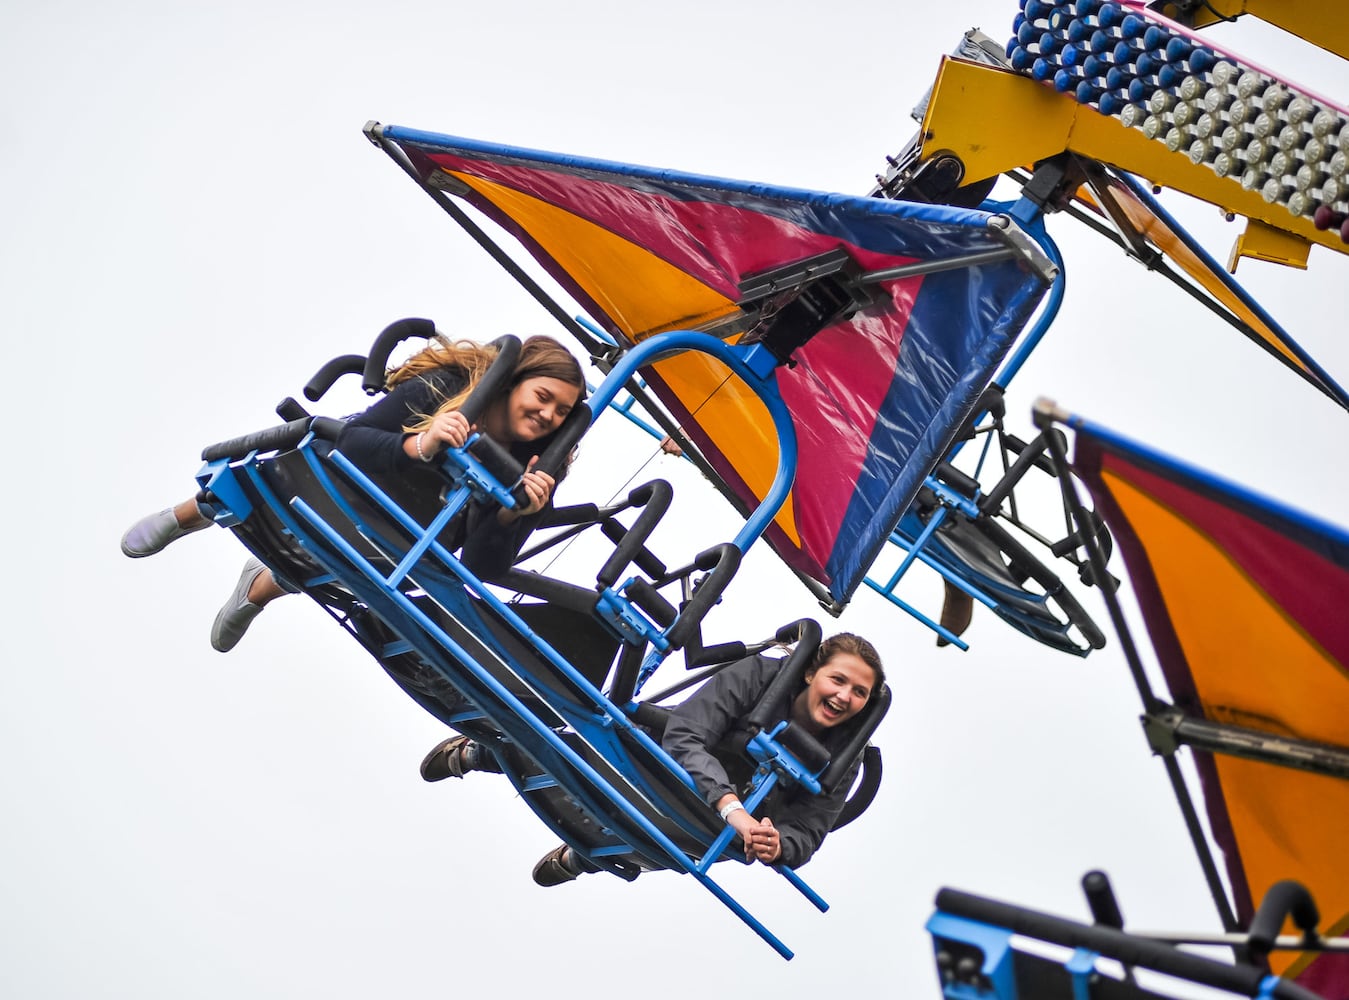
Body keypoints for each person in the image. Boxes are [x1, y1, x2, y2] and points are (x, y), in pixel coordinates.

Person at [121, 334, 586, 652]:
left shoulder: (534, 470)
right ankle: (188, 514)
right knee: (279, 485)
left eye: (561, 411)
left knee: (343, 559)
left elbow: (482, 566)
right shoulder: (450, 390)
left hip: (394, 534)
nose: (547, 415)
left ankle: (257, 589)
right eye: (542, 396)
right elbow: (356, 440)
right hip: (342, 479)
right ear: (511, 383)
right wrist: (423, 442)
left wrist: (514, 514)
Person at [421, 632, 884, 886]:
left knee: (694, 849)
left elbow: (810, 829)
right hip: (672, 765)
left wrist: (779, 844)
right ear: (810, 673)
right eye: (837, 680)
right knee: (591, 731)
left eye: (859, 692)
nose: (844, 697)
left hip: (708, 826)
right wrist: (732, 806)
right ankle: (484, 753)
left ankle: (587, 857)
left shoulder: (845, 757)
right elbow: (688, 732)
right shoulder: (762, 677)